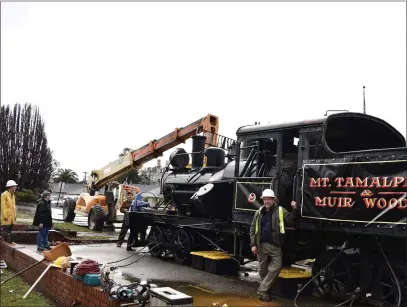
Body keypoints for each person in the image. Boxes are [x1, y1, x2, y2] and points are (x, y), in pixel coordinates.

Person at [249, 188, 298, 302]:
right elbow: (252, 229)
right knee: (263, 271)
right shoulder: (258, 212)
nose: (266, 201)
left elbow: (290, 220)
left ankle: (262, 290)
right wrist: (253, 244)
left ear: (273, 200)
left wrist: (294, 209)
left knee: (276, 267)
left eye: (268, 199)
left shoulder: (281, 210)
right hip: (261, 245)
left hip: (275, 246)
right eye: (265, 199)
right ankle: (265, 292)